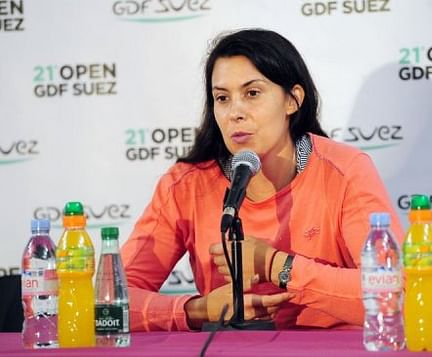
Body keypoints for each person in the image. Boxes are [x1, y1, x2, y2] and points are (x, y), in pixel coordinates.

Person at [121, 28, 404, 331]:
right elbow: (107, 301)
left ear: (292, 100)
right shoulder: (186, 185)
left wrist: (275, 265)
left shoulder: (346, 170)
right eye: (222, 98)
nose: (235, 113)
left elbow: (397, 295)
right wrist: (195, 310)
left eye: (252, 93)